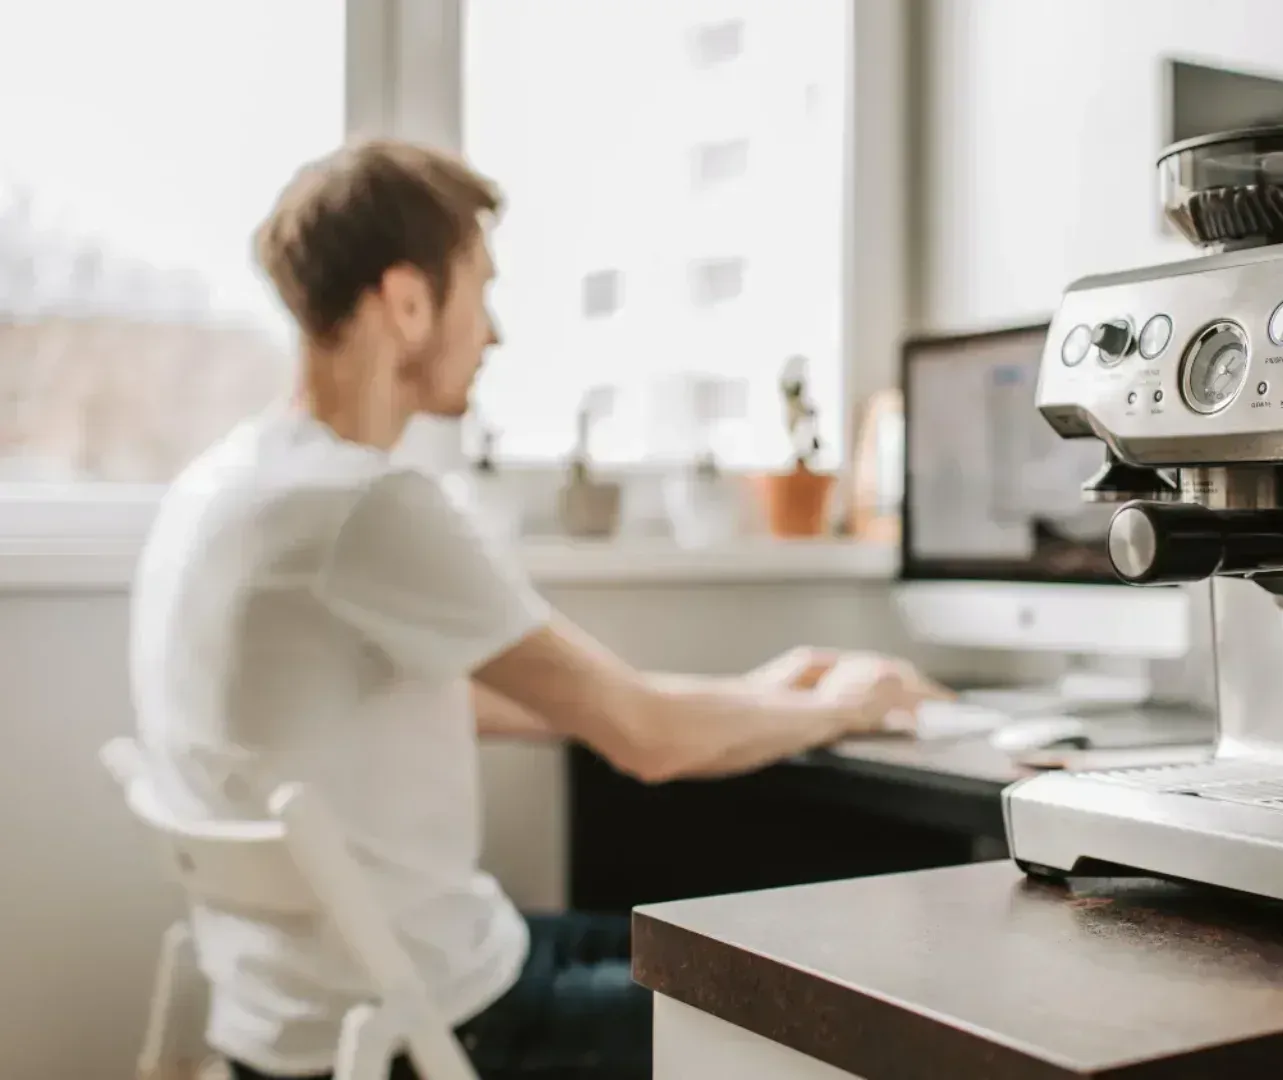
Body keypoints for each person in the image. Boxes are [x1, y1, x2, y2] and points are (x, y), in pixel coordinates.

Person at [129, 139, 950, 1080]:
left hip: (293, 1014)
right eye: (481, 287)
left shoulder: (224, 487)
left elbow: (503, 703)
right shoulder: (364, 505)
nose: (494, 333)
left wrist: (753, 694)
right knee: (819, 1015)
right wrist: (856, 703)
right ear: (405, 301)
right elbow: (645, 738)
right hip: (436, 1024)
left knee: (694, 943)